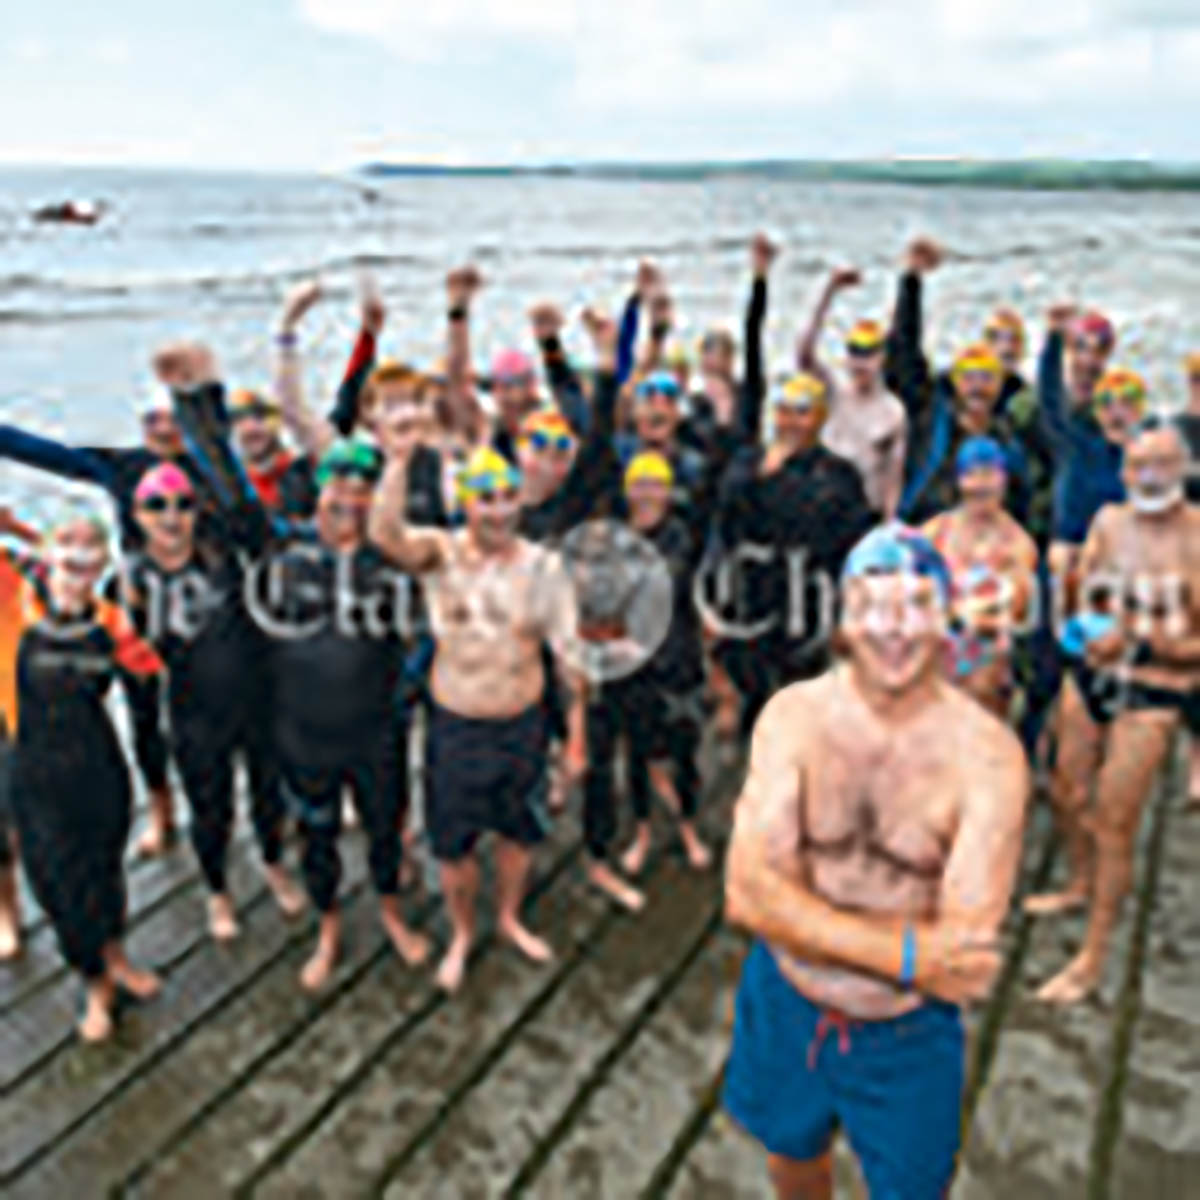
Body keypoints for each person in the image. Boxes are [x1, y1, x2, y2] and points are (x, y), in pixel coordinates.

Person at [722, 523, 1029, 1200]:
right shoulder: (793, 718)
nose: (895, 628)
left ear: (947, 616)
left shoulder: (988, 759)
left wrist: (798, 914)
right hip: (785, 1003)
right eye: (873, 605)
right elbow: (745, 894)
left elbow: (968, 960)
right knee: (791, 1157)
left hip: (905, 1036)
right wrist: (912, 957)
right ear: (842, 618)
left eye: (917, 604)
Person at [163, 343, 430, 991]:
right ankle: (330, 927)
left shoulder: (391, 558)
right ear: (318, 486)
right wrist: (199, 399)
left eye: (363, 484)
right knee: (316, 843)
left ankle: (392, 912)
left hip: (375, 734)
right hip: (301, 734)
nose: (349, 493)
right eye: (338, 479)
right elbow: (227, 486)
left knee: (387, 832)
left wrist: (404, 696)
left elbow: (426, 636)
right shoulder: (280, 545)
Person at [369, 436, 587, 995]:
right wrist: (397, 461)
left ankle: (511, 917)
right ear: (466, 503)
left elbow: (570, 660)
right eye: (486, 498)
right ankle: (464, 932)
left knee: (519, 835)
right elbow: (384, 536)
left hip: (523, 725)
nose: (499, 509)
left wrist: (578, 739)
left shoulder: (544, 567)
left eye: (508, 497)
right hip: (456, 727)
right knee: (454, 847)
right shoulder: (440, 554)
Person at [1030, 419, 1199, 1004]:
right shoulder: (1108, 520)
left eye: (1161, 465)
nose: (1148, 477)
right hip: (1092, 674)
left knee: (1114, 821)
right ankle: (1079, 883)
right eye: (1137, 466)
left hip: (1154, 688)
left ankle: (1093, 959)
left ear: (1183, 469)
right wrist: (1077, 609)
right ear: (1123, 472)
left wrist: (1140, 641)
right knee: (1066, 787)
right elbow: (1087, 594)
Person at [119, 462, 303, 940]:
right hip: (193, 714)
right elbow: (122, 661)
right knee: (210, 809)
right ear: (138, 516)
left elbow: (250, 513)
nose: (171, 516)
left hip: (256, 702)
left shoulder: (224, 556)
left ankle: (272, 863)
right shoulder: (132, 581)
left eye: (182, 504)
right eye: (157, 506)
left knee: (268, 794)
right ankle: (217, 891)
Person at [6, 508, 164, 1041]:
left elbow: (155, 667)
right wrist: (20, 531)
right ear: (46, 553)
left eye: (91, 542)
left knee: (104, 871)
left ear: (103, 559)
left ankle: (116, 957)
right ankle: (94, 984)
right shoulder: (13, 599)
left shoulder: (112, 619)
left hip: (97, 767)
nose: (78, 551)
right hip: (30, 769)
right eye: (66, 541)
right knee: (58, 886)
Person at [705, 372, 875, 740]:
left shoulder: (839, 473)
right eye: (783, 412)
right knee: (753, 691)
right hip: (755, 598)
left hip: (809, 601)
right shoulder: (750, 463)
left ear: (819, 419)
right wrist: (762, 476)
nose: (791, 423)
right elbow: (726, 517)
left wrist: (851, 613)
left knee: (806, 697)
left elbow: (854, 544)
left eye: (801, 413)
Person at [581, 451, 711, 913]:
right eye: (640, 484)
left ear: (669, 492)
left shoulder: (680, 535)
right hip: (629, 667)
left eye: (657, 485)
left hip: (675, 662)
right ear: (628, 490)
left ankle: (689, 827)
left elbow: (665, 584)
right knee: (637, 752)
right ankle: (642, 830)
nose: (648, 494)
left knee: (682, 752)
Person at [884, 236, 1030, 526]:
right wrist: (911, 281)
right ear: (956, 383)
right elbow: (903, 353)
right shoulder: (931, 412)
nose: (977, 386)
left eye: (987, 378)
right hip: (926, 525)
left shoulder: (1014, 425)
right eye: (969, 378)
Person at [923, 438, 1038, 718]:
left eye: (989, 474)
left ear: (1004, 481)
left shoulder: (1017, 544)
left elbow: (1015, 611)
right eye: (971, 475)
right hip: (935, 640)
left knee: (981, 688)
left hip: (986, 650)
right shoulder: (935, 532)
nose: (980, 485)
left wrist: (963, 617)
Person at [797, 268, 907, 520]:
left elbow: (893, 477)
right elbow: (804, 353)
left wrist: (890, 524)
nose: (861, 364)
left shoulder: (893, 411)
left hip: (864, 511)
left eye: (868, 355)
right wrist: (829, 292)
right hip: (825, 501)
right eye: (855, 354)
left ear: (882, 359)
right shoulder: (834, 394)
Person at [0, 505, 40, 959]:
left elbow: (71, 560)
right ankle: (8, 912)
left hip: (22, 703)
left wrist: (19, 530)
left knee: (40, 812)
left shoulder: (15, 565)